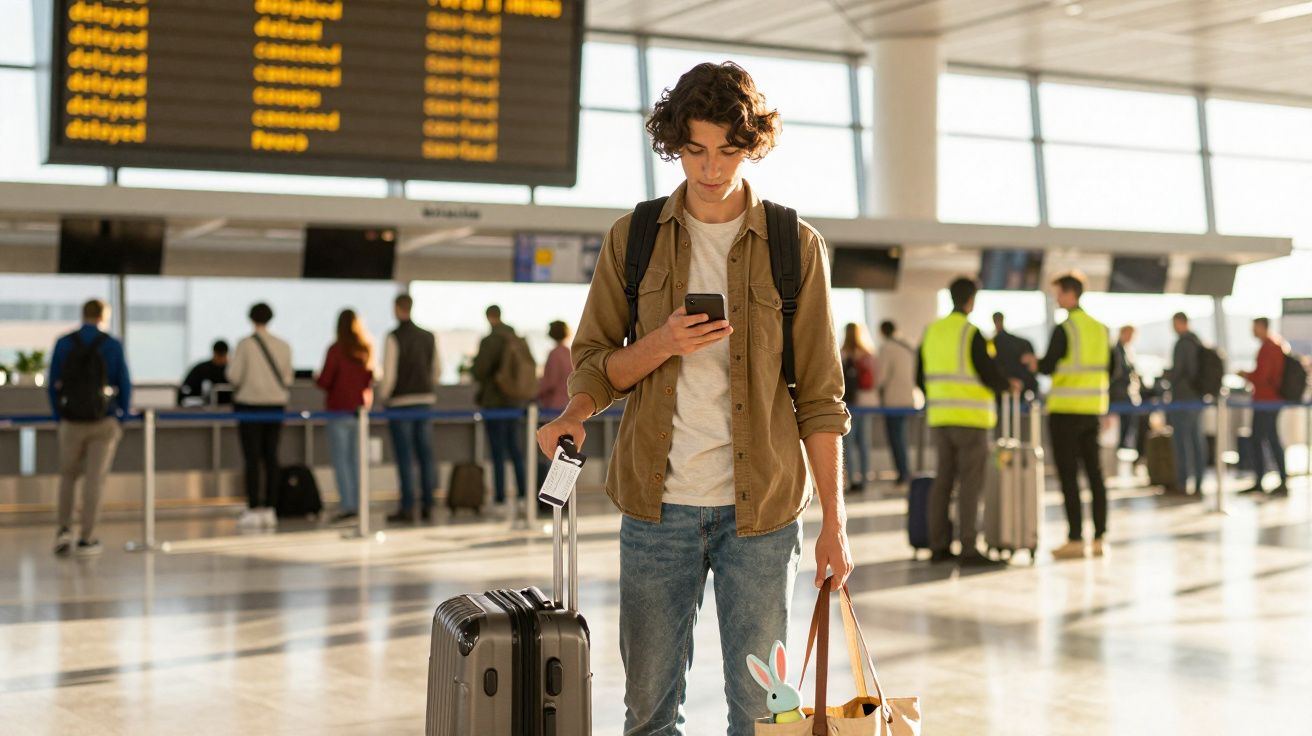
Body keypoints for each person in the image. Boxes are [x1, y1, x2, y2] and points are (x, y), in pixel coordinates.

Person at [534, 62, 853, 736]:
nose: (711, 169)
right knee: (648, 712)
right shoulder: (636, 237)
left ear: (753, 146)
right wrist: (660, 344)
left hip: (762, 518)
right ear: (674, 144)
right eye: (695, 150)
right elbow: (594, 363)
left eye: (728, 151)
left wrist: (836, 524)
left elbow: (821, 399)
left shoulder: (796, 247)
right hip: (656, 513)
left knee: (762, 715)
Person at [918, 278, 1018, 567]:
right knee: (970, 484)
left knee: (943, 481)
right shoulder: (972, 334)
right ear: (971, 301)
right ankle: (969, 547)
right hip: (970, 420)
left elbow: (919, 376)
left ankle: (938, 546)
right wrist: (1007, 384)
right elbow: (989, 373)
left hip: (939, 417)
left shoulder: (931, 331)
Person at [1021, 272, 1112, 559]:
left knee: (1069, 476)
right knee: (1096, 476)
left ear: (1071, 294)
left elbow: (1048, 366)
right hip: (1092, 410)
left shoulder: (1065, 329)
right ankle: (1099, 538)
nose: (1056, 298)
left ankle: (1075, 538)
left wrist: (1033, 363)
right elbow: (1114, 369)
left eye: (1058, 293)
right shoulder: (1100, 328)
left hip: (1065, 412)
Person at [46, 298, 132, 557]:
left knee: (68, 476)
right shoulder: (112, 345)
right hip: (103, 420)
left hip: (71, 421)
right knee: (95, 480)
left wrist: (59, 415)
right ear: (103, 316)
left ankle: (63, 531)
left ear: (83, 314)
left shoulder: (64, 342)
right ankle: (87, 537)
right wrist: (121, 417)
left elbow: (52, 383)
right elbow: (125, 384)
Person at [227, 302, 293, 530]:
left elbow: (234, 376)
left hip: (250, 406)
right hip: (276, 406)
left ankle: (254, 506)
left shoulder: (245, 345)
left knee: (252, 458)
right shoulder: (283, 345)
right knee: (272, 456)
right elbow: (288, 378)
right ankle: (271, 508)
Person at [378, 294, 441, 522]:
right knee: (425, 454)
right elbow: (436, 370)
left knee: (405, 457)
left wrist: (384, 397)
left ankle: (407, 507)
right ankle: (428, 504)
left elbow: (390, 372)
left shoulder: (393, 337)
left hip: (400, 402)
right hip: (424, 399)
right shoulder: (428, 336)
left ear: (396, 308)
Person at [316, 310, 376, 523]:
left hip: (339, 410)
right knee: (358, 462)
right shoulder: (365, 348)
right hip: (359, 412)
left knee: (342, 462)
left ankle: (349, 505)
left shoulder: (335, 350)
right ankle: (361, 504)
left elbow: (325, 380)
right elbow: (369, 379)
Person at [472, 305, 529, 510]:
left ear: (489, 317)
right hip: (514, 402)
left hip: (494, 402)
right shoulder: (516, 339)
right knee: (516, 450)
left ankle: (500, 499)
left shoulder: (490, 341)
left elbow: (479, 371)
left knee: (498, 453)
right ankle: (524, 495)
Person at [1238, 317, 1289, 497]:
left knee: (1266, 439)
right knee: (1263, 439)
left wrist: (1246, 375)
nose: (1252, 331)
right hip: (1268, 400)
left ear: (1261, 327)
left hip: (1266, 401)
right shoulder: (1276, 344)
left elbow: (1263, 377)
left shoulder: (1270, 347)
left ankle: (1275, 480)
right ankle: (1266, 480)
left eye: (1254, 327)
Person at [1165, 312, 1207, 496]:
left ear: (1181, 323)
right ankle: (1198, 482)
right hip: (1197, 398)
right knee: (1196, 440)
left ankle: (1182, 482)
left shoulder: (1182, 344)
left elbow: (1179, 372)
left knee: (1182, 442)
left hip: (1183, 399)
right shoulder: (1198, 342)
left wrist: (1167, 376)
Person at [877, 320, 917, 485]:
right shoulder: (908, 346)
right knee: (902, 437)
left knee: (896, 438)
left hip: (893, 400)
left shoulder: (887, 348)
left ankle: (903, 473)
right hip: (908, 398)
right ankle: (905, 471)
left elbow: (881, 377)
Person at [841, 323, 877, 493]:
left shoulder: (841, 353)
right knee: (864, 443)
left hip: (847, 403)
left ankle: (851, 479)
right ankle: (864, 478)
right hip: (865, 402)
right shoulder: (868, 354)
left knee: (848, 444)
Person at [991, 312, 1038, 398]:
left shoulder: (991, 345)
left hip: (1005, 390)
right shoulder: (1023, 343)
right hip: (1024, 389)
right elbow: (1033, 367)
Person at [1109, 326, 1141, 450]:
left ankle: (1124, 446)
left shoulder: (1126, 350)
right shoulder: (1115, 350)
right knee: (1119, 427)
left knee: (1128, 424)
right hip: (1117, 395)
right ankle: (1121, 447)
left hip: (1124, 394)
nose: (1130, 338)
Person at [177, 340, 230, 407]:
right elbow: (186, 388)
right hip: (203, 408)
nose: (220, 359)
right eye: (219, 355)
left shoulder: (231, 371)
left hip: (226, 409)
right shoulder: (202, 369)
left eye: (222, 355)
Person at [537, 320, 572, 412]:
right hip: (570, 401)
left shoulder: (554, 353)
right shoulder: (570, 352)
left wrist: (537, 392)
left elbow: (551, 382)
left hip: (555, 405)